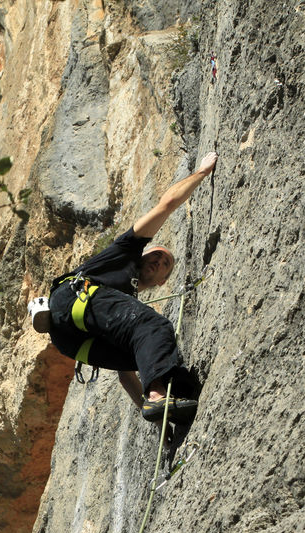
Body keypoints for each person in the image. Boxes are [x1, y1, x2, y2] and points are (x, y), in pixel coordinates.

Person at [28, 152, 217, 423]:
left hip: (74, 340)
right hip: (75, 298)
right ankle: (158, 396)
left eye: (165, 263)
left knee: (149, 356)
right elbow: (166, 205)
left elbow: (125, 376)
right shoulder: (125, 251)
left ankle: (166, 400)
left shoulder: (122, 301)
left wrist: (148, 409)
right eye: (156, 254)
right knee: (153, 327)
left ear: (163, 281)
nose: (158, 260)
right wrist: (201, 173)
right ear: (143, 252)